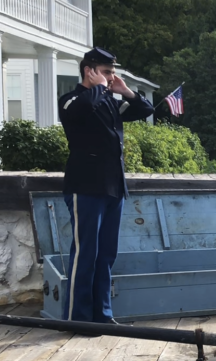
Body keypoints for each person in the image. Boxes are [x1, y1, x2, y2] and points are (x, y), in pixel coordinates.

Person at [59, 47, 154, 322]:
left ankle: (102, 314)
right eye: (106, 72)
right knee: (85, 253)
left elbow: (145, 109)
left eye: (113, 72)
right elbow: (85, 107)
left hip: (113, 186)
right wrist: (101, 88)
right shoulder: (72, 99)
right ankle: (77, 317)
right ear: (89, 71)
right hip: (86, 186)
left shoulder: (109, 101)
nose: (111, 78)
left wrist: (127, 92)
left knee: (106, 255)